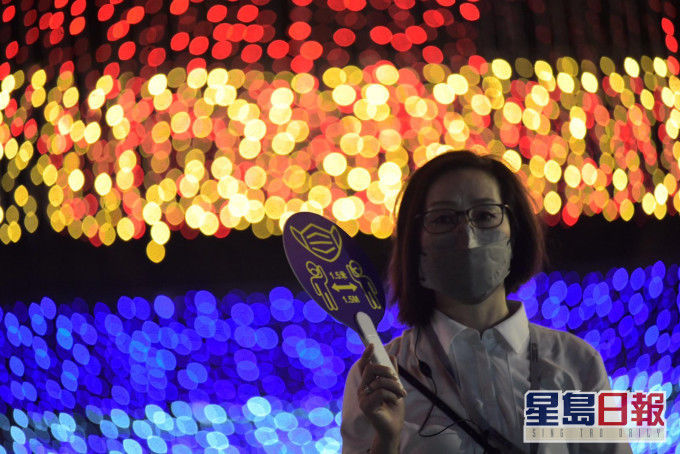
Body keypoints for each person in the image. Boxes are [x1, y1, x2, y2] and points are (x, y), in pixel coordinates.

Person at [340, 151, 632, 453]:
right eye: (442, 219)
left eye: (485, 215)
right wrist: (386, 441)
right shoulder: (381, 376)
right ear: (415, 245)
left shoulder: (574, 363)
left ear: (514, 233)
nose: (467, 236)